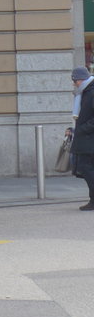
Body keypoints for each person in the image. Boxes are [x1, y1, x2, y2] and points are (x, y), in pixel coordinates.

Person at [69, 68, 94, 211]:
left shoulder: (91, 92)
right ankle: (93, 200)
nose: (74, 84)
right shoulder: (85, 92)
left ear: (82, 79)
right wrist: (74, 129)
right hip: (86, 139)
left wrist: (83, 129)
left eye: (75, 80)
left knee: (86, 168)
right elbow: (81, 116)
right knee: (86, 168)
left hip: (89, 139)